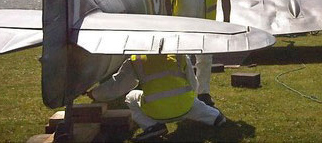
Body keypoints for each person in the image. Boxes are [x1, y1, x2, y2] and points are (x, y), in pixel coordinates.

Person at [87, 53, 225, 142]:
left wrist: (95, 94)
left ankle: (152, 127)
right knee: (194, 102)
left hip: (155, 112)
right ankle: (215, 117)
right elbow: (193, 84)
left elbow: (117, 86)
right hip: (186, 107)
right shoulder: (180, 56)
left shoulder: (136, 59)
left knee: (130, 96)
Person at [162, 0, 231, 107]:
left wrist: (227, 23)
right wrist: (169, 15)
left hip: (206, 21)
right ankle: (180, 91)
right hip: (181, 21)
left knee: (205, 58)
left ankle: (203, 93)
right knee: (179, 58)